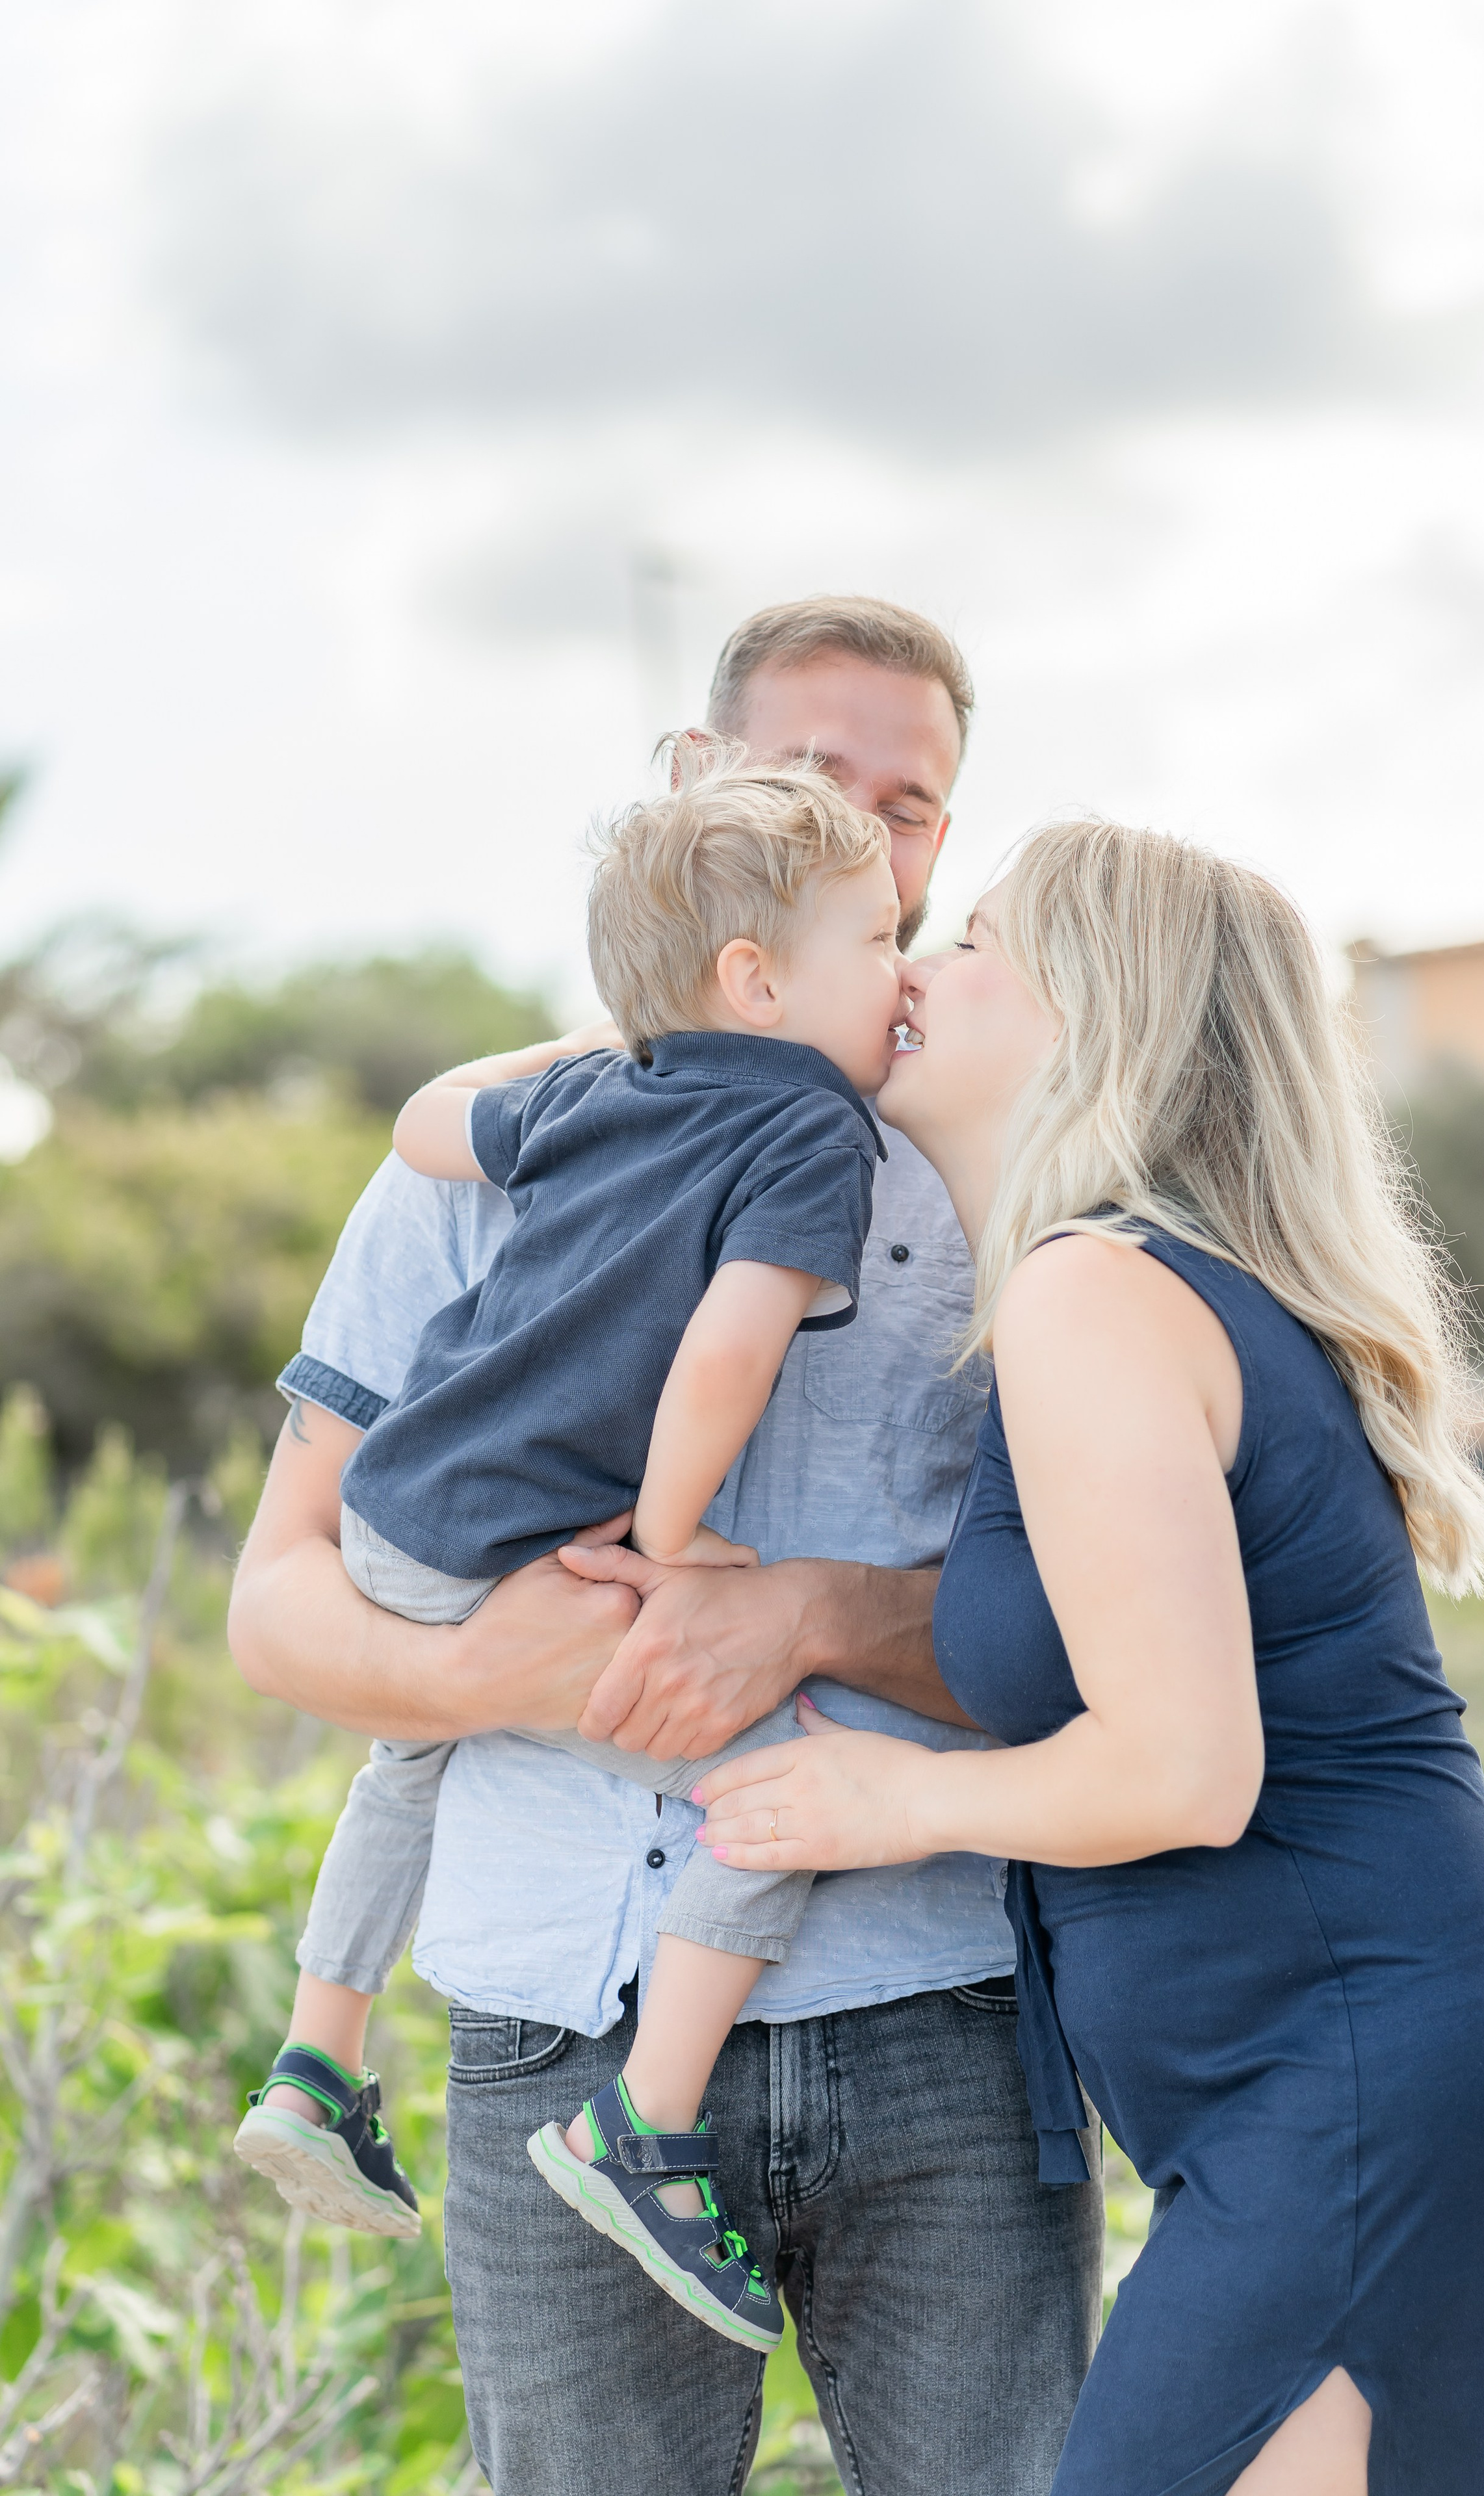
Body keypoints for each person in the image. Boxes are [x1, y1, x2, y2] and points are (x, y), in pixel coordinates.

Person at [228, 597, 1104, 2496]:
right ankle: (328, 2052)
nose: (874, 847)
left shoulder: (1019, 1182)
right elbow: (282, 1602)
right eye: (818, 785)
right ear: (699, 791)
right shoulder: (484, 1144)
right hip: (547, 2011)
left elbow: (1127, 1653)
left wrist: (814, 1616)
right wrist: (485, 1674)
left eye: (916, 810)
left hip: (938, 2015)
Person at [697, 816, 1484, 2495]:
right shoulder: (1136, 1294)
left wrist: (889, 1801)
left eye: (976, 942)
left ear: (1096, 1013)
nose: (918, 965)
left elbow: (1182, 1769)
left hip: (1357, 2095)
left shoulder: (1097, 1295)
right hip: (1370, 2085)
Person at [236, 749, 908, 2348]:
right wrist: (675, 1552)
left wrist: (637, 1022)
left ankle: (318, 2059)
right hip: (527, 1544)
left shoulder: (602, 1085)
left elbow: (418, 1124)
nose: (903, 972)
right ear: (758, 977)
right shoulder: (817, 1130)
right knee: (769, 1795)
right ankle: (643, 2125)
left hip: (405, 1511)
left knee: (412, 1750)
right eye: (877, 942)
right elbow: (723, 1361)